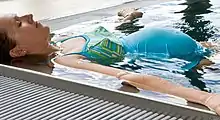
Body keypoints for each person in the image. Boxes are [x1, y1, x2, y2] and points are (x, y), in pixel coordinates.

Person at [0, 9, 220, 115]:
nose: (29, 15)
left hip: (196, 45)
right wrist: (206, 97)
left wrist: (124, 19)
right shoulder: (67, 60)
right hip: (188, 59)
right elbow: (129, 77)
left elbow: (108, 38)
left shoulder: (61, 40)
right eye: (19, 24)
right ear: (19, 50)